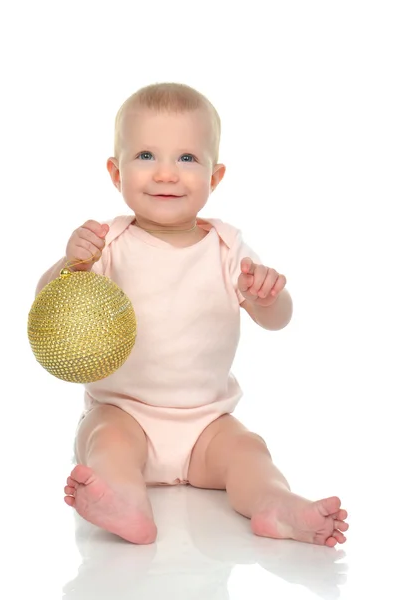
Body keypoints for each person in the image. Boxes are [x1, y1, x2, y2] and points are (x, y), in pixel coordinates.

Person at [36, 82, 348, 547]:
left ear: (215, 177)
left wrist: (265, 296)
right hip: (124, 413)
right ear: (115, 172)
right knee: (106, 444)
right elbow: (45, 308)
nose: (165, 174)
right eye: (145, 156)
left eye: (186, 159)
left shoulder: (227, 249)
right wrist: (70, 264)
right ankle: (124, 501)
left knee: (249, 452)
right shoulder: (107, 244)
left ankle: (274, 504)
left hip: (207, 424)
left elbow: (277, 319)